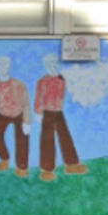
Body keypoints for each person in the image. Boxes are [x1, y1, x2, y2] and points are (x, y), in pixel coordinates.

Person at [34, 52, 86, 181]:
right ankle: (47, 169)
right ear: (46, 66)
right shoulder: (42, 82)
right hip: (47, 112)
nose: (53, 66)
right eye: (50, 64)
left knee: (65, 136)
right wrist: (38, 112)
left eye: (55, 63)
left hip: (58, 112)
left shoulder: (61, 80)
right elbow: (39, 98)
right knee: (47, 140)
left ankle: (72, 163)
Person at [0, 56, 32, 177]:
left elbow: (26, 104)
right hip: (2, 113)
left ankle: (22, 167)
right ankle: (4, 159)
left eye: (5, 65)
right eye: (0, 66)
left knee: (22, 139)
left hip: (18, 113)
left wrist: (27, 121)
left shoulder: (19, 84)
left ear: (9, 66)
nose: (3, 68)